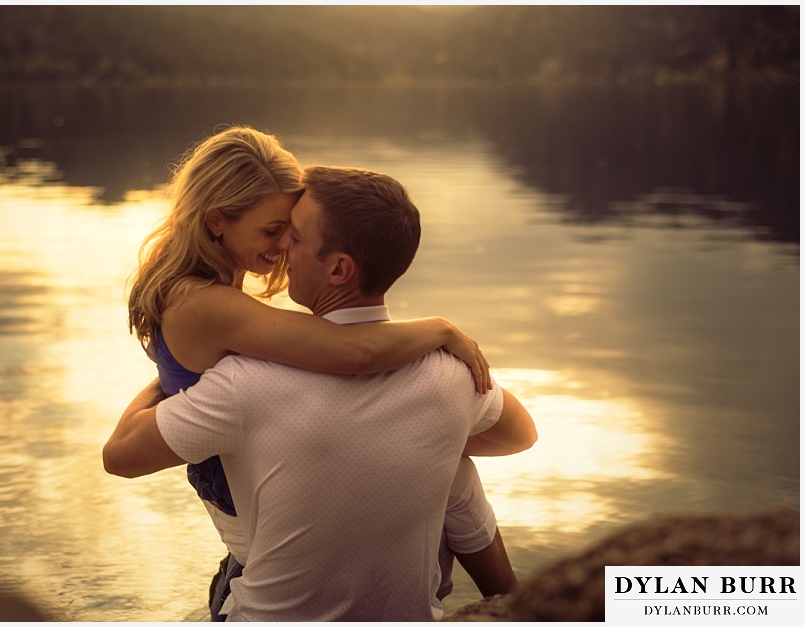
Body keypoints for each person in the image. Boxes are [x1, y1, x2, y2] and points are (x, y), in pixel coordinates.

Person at [104, 164, 538, 621]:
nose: (281, 248)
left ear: (337, 268)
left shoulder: (244, 381)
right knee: (456, 470)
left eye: (292, 234)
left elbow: (120, 458)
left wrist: (162, 382)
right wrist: (419, 445)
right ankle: (518, 608)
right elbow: (521, 435)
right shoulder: (454, 374)